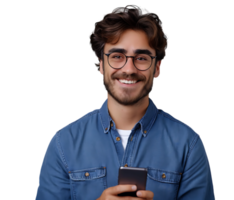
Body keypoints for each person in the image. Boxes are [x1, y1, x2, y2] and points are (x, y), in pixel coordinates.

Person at [34, 4, 216, 200]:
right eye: (117, 56)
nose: (129, 69)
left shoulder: (189, 145)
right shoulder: (63, 143)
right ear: (101, 65)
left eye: (141, 58)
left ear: (158, 68)